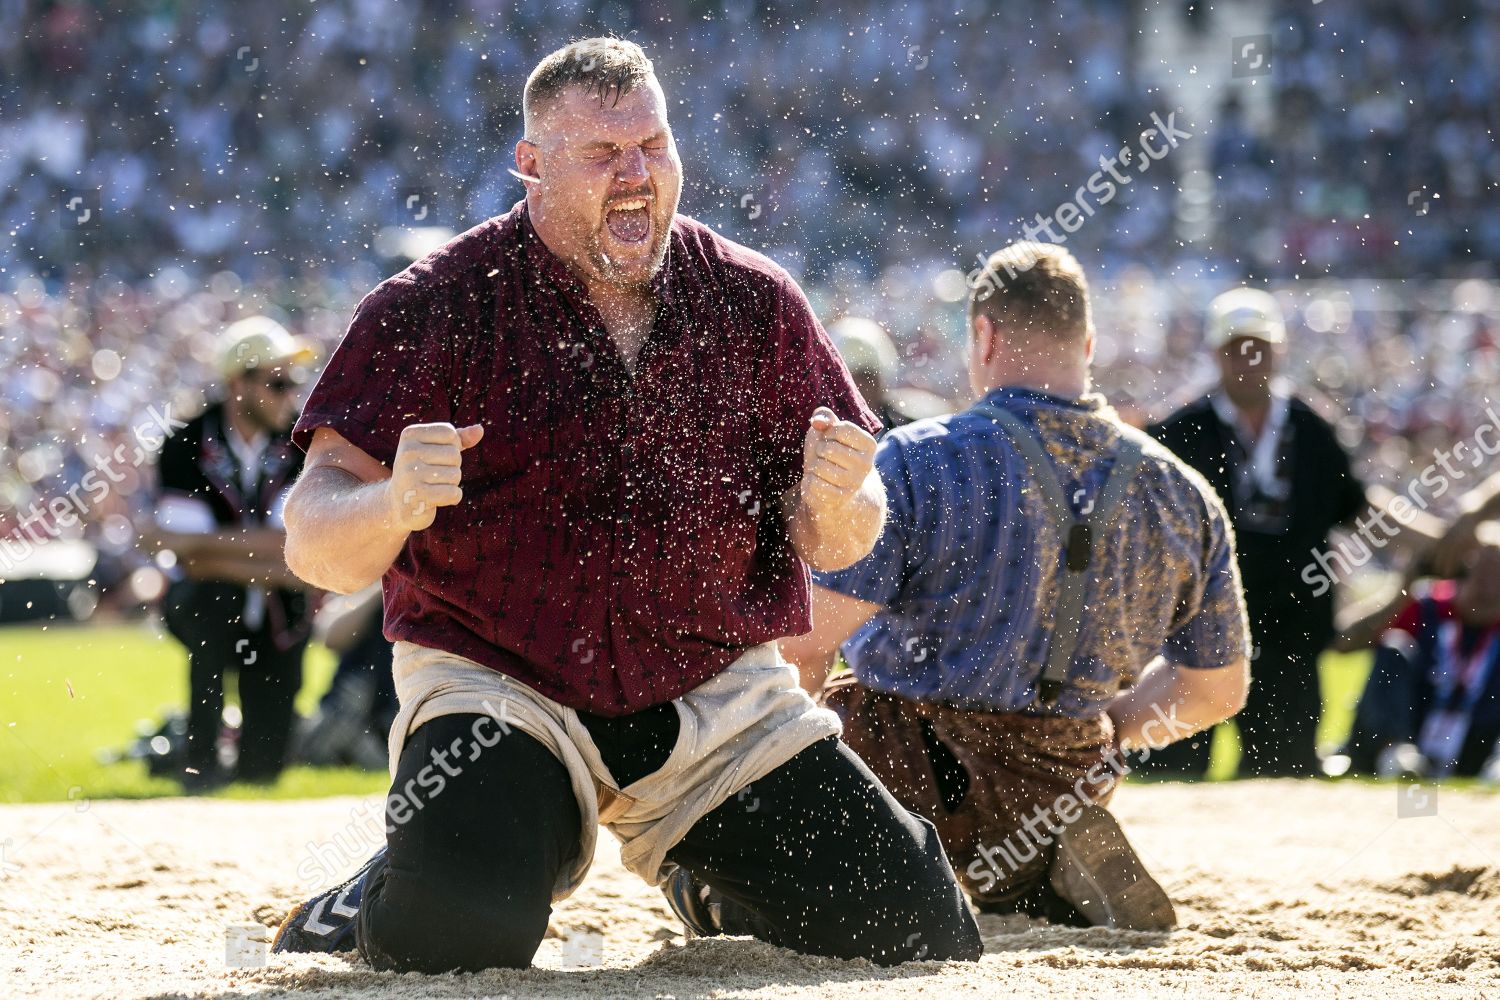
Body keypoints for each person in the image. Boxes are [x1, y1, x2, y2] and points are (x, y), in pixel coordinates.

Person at [271, 38, 981, 973]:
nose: (637, 174)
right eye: (604, 155)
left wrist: (841, 500)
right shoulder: (431, 305)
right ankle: (381, 888)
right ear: (530, 165)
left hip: (715, 694)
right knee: (458, 934)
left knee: (920, 929)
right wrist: (393, 501)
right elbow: (315, 546)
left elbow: (843, 532)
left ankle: (712, 883)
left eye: (653, 143)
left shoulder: (757, 301)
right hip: (502, 687)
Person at [779, 242, 1252, 929]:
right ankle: (1039, 874)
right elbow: (1217, 689)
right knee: (1034, 831)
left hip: (908, 774)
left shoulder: (915, 462)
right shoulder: (1185, 495)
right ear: (1086, 343)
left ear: (984, 335)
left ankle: (899, 871)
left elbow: (805, 646)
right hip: (1068, 777)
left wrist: (791, 782)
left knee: (729, 875)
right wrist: (1112, 732)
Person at [1142, 289, 1436, 777]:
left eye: (1257, 345)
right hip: (1193, 633)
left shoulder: (1312, 428)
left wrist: (1443, 540)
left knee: (1284, 771)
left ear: (1278, 350)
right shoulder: (1181, 431)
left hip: (1291, 633)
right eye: (1236, 347)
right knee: (1173, 771)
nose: (1248, 358)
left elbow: (1359, 509)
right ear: (1217, 354)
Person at [148, 316, 315, 791]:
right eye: (279, 382)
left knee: (264, 771)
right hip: (206, 606)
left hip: (282, 614)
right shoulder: (182, 443)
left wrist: (206, 545)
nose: (291, 395)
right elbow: (193, 565)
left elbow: (297, 548)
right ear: (238, 384)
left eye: (295, 382)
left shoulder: (304, 444)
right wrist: (277, 562)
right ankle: (198, 755)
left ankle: (201, 754)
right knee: (215, 598)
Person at [1333, 525, 1500, 781]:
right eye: (1483, 568)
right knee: (1395, 646)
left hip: (1474, 742)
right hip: (1411, 728)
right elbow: (1343, 642)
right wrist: (1404, 587)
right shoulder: (1427, 605)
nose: (1488, 584)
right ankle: (1394, 753)